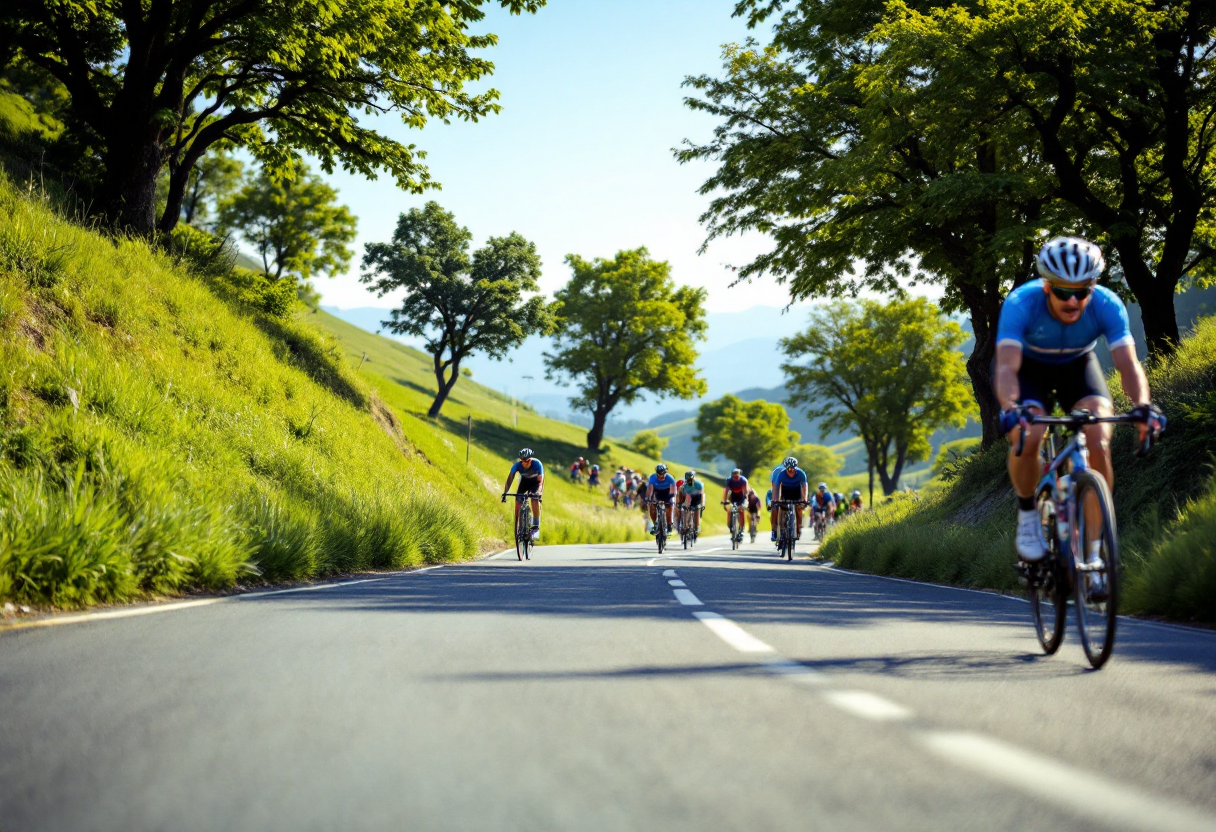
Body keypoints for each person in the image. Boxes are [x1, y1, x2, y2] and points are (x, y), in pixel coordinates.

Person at [995, 236, 1164, 575]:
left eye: (1082, 291)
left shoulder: (1108, 304)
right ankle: (1028, 516)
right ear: (1046, 287)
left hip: (1077, 366)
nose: (1073, 300)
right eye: (1062, 292)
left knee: (1099, 438)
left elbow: (1129, 366)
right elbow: (1006, 366)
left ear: (1093, 286)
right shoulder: (1020, 303)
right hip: (1028, 370)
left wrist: (1143, 406)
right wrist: (1013, 407)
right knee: (1029, 435)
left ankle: (1094, 552)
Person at [502, 448, 544, 541]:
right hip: (524, 482)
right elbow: (509, 480)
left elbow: (540, 481)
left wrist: (539, 493)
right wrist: (505, 493)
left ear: (531, 459)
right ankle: (519, 527)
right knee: (518, 499)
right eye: (522, 461)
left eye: (527, 460)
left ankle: (536, 527)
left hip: (535, 483)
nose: (525, 463)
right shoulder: (516, 466)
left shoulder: (537, 464)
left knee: (534, 499)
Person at [770, 457, 809, 542]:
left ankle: (798, 528)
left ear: (796, 468)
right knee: (777, 507)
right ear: (786, 468)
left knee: (799, 508)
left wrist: (804, 499)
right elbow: (776, 488)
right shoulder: (781, 474)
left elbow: (804, 487)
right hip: (785, 492)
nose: (791, 470)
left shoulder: (801, 474)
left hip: (796, 492)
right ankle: (776, 529)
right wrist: (775, 500)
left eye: (793, 469)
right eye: (789, 469)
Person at [647, 464, 677, 535]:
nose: (660, 477)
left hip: (667, 493)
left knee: (670, 506)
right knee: (652, 506)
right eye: (659, 475)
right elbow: (650, 489)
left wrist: (670, 498)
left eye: (662, 475)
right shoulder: (652, 478)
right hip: (657, 493)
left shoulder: (670, 478)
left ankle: (669, 525)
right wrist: (649, 498)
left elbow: (674, 490)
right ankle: (655, 525)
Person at [722, 468, 749, 541]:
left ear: (739, 474)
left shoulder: (743, 480)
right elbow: (726, 490)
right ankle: (731, 525)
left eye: (737, 474)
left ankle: (741, 529)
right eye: (734, 474)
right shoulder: (729, 480)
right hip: (732, 496)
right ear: (732, 474)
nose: (735, 476)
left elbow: (746, 491)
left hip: (741, 496)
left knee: (741, 511)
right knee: (730, 510)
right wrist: (724, 500)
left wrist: (745, 499)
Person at [680, 470, 705, 535]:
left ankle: (696, 526)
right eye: (687, 479)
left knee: (697, 509)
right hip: (688, 499)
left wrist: (702, 504)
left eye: (690, 479)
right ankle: (684, 526)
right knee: (685, 510)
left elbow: (701, 495)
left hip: (697, 498)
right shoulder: (684, 486)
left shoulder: (698, 484)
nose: (689, 481)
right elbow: (684, 496)